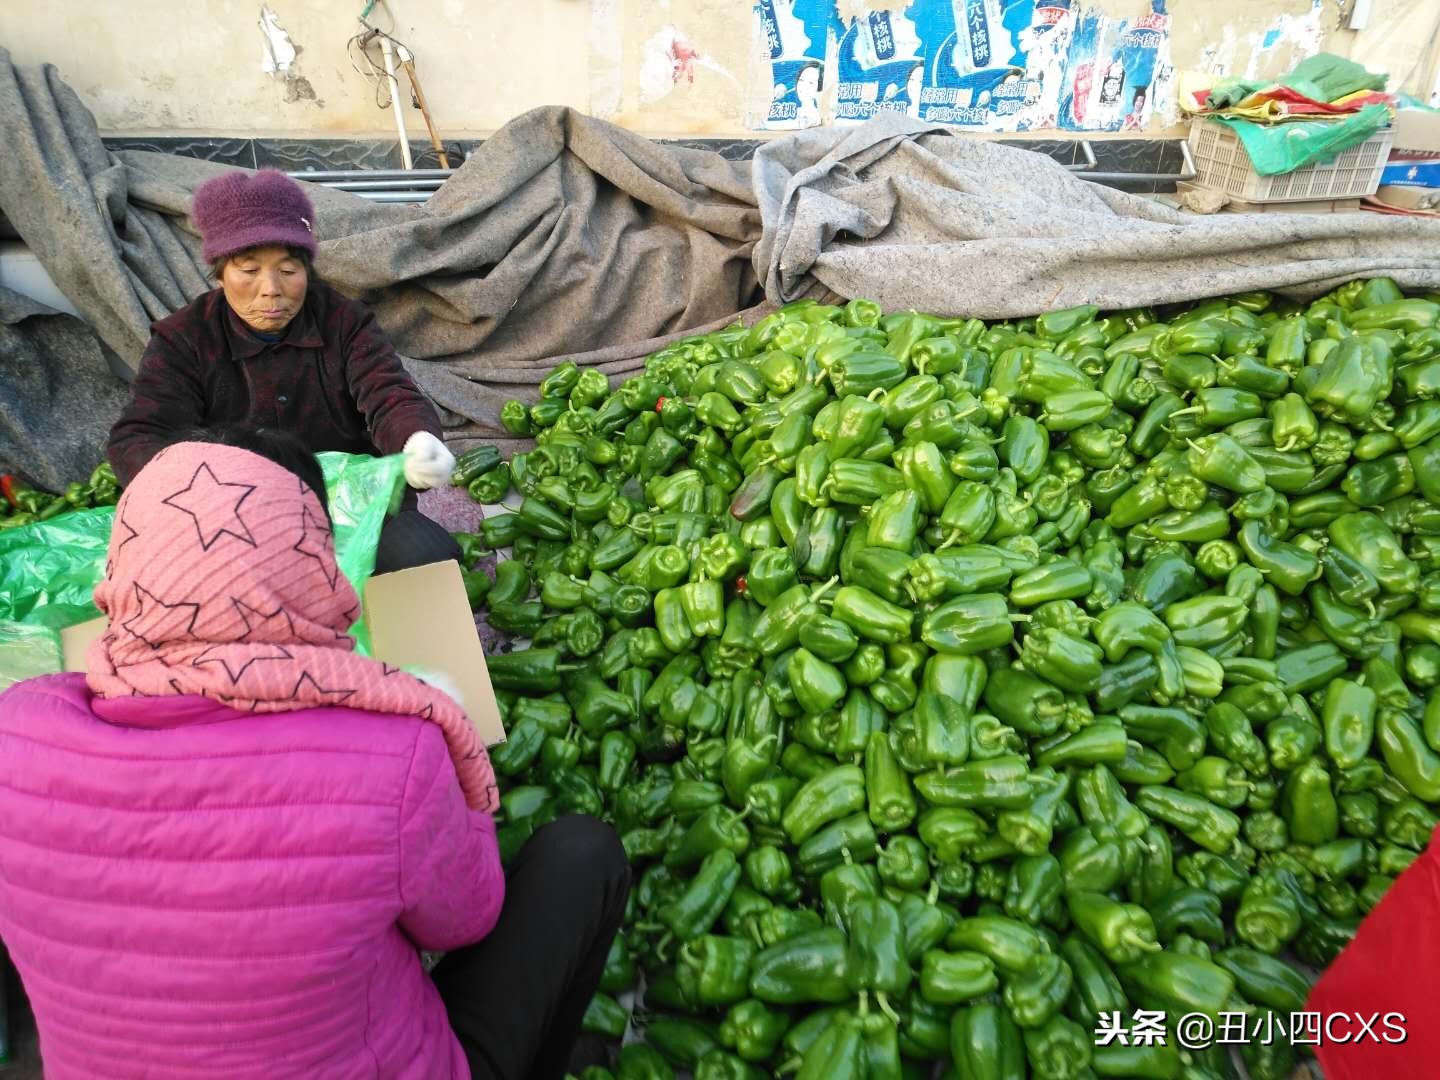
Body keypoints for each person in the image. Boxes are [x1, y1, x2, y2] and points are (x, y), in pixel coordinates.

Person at [0, 431, 630, 1080]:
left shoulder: (15, 733)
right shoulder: (392, 747)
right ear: (309, 558)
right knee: (583, 856)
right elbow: (465, 919)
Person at [106, 168, 462, 575]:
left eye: (289, 270)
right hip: (233, 513)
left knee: (427, 561)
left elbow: (388, 394)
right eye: (249, 270)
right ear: (220, 273)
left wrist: (415, 438)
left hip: (349, 504)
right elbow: (138, 436)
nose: (271, 288)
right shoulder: (184, 338)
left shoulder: (344, 321)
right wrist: (212, 491)